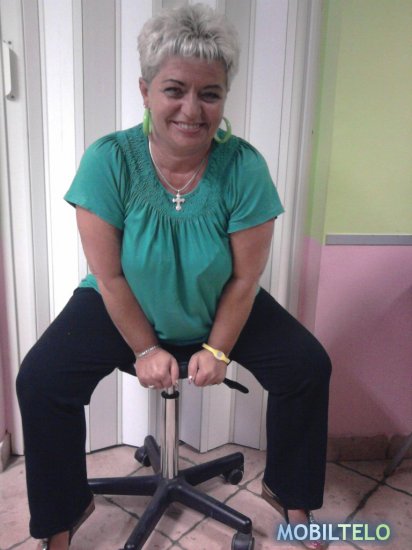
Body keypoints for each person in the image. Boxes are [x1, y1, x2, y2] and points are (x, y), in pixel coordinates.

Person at [16, 4, 331, 549]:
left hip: (218, 303)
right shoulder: (109, 161)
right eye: (174, 90)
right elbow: (109, 276)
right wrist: (143, 348)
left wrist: (219, 348)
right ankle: (61, 518)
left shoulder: (245, 167)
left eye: (209, 94)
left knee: (306, 366)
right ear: (145, 91)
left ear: (224, 98)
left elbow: (244, 280)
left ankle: (293, 496)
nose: (192, 109)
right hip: (124, 303)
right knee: (42, 381)